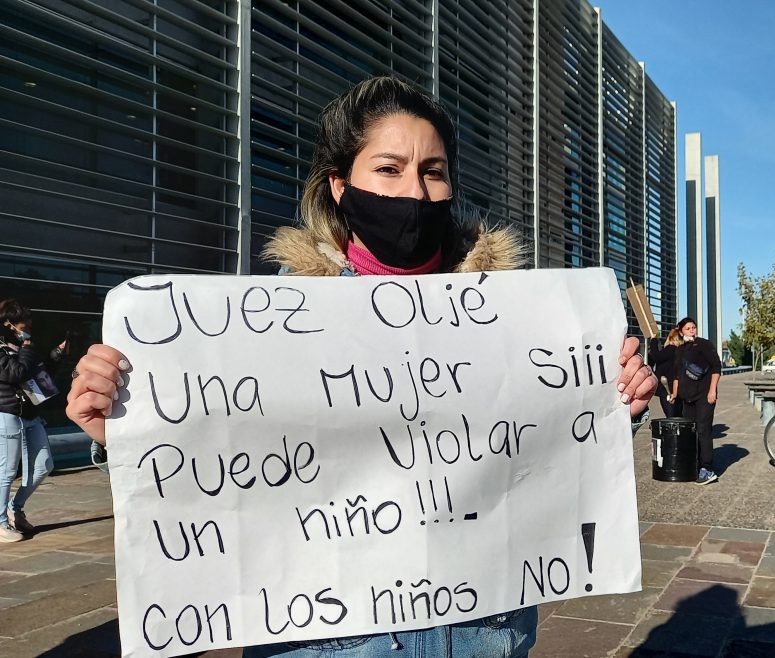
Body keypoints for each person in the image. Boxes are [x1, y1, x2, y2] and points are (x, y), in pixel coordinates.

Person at [65, 75, 656, 657]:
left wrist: (609, 403)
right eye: (389, 168)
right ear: (340, 186)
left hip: (484, 633)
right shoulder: (261, 329)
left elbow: (542, 455)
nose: (416, 193)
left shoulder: (522, 322)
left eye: (433, 171)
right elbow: (219, 476)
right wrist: (124, 428)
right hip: (330, 639)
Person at [1, 299, 66, 542]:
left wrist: (56, 356)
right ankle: (1, 522)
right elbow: (15, 373)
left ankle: (14, 507)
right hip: (7, 413)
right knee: (7, 471)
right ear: (8, 325)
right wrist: (28, 348)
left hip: (31, 415)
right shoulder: (3, 349)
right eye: (22, 325)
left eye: (28, 325)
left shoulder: (23, 349)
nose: (26, 330)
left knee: (43, 465)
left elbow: (38, 377)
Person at [671, 317, 721, 485]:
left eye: (694, 327)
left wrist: (712, 390)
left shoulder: (704, 345)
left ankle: (707, 469)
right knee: (691, 432)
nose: (692, 330)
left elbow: (716, 367)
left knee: (703, 429)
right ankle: (695, 465)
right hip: (687, 398)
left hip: (704, 396)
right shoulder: (679, 350)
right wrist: (674, 394)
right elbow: (677, 375)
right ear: (681, 332)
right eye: (688, 328)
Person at [647, 327, 683, 417]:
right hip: (677, 387)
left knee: (670, 415)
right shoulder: (681, 351)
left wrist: (653, 340)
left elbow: (656, 357)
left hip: (667, 387)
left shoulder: (671, 349)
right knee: (678, 414)